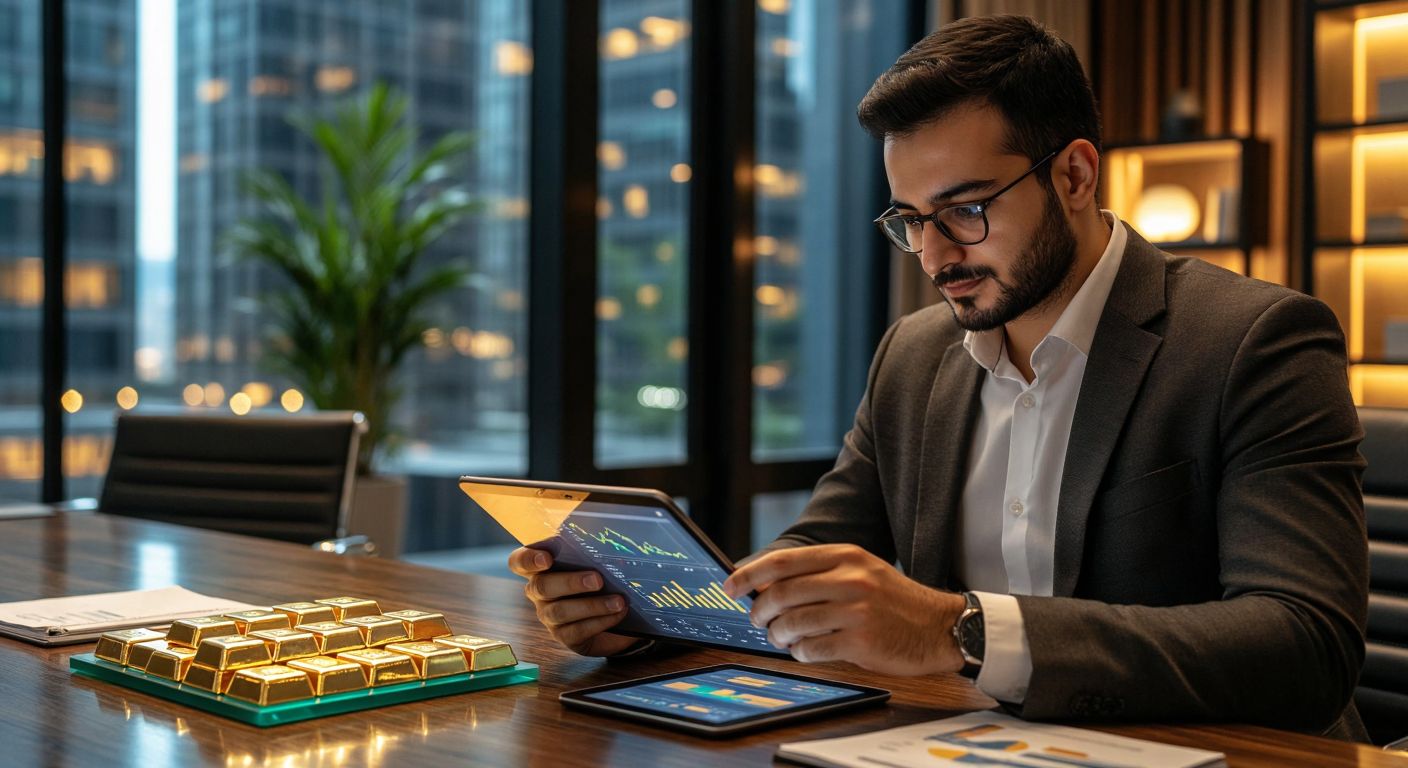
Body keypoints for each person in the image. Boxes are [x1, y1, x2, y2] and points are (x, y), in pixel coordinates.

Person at [509, 15, 1368, 740]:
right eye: (910, 220)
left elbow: (1304, 645)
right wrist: (646, 616)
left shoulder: (1254, 340)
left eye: (966, 210)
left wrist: (956, 630)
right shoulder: (914, 354)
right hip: (958, 744)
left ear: (1074, 174)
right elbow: (817, 552)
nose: (934, 254)